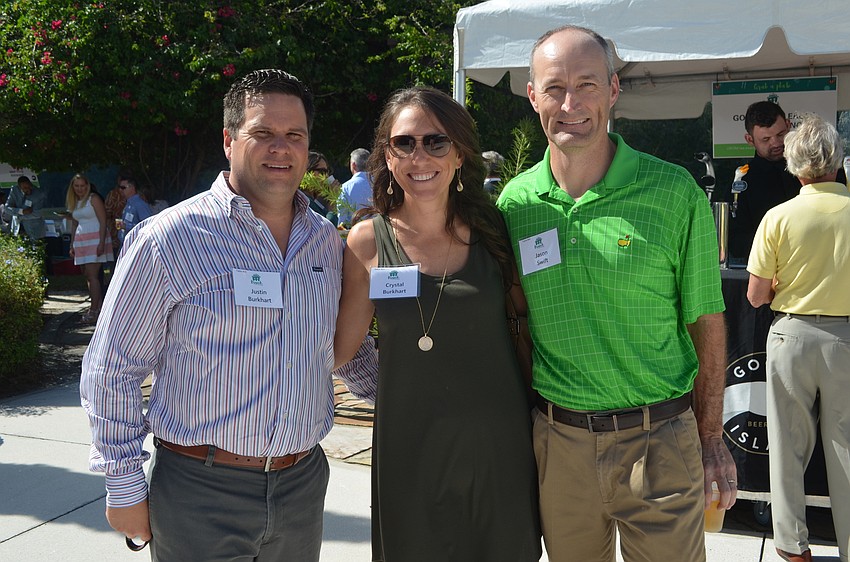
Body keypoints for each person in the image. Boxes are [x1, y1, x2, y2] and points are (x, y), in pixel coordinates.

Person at [80, 69, 378, 561]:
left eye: (294, 135)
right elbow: (112, 368)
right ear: (228, 139)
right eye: (262, 133)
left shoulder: (325, 243)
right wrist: (124, 485)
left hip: (301, 487)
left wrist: (414, 401)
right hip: (201, 491)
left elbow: (343, 349)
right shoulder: (169, 240)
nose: (280, 148)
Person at [496, 25, 737, 561]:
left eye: (586, 84)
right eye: (554, 87)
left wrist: (712, 435)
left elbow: (707, 320)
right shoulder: (516, 204)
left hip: (660, 442)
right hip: (560, 445)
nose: (571, 103)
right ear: (532, 96)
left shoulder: (673, 192)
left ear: (613, 90)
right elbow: (515, 320)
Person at [334, 86, 540, 561]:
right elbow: (339, 350)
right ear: (387, 154)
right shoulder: (366, 241)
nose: (419, 155)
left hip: (499, 445)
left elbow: (536, 322)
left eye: (435, 141)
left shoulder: (497, 233)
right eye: (404, 142)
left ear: (460, 153)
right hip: (409, 446)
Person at [747, 113, 850, 562]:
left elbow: (754, 296)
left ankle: (791, 547)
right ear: (837, 158)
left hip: (790, 334)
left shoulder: (778, 217)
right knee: (847, 449)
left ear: (793, 164)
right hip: (846, 338)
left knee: (786, 447)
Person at [66, 173, 112, 322]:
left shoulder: (94, 199)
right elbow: (74, 224)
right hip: (82, 241)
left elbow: (103, 221)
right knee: (88, 276)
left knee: (93, 276)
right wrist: (72, 244)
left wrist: (101, 243)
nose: (80, 189)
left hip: (95, 240)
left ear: (88, 185)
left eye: (83, 186)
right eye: (77, 186)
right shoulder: (75, 202)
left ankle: (94, 311)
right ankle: (96, 306)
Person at [336, 148, 372, 227]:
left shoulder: (346, 187)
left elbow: (343, 219)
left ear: (353, 165)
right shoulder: (380, 184)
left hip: (356, 233)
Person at [3, 175, 46, 240]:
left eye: (29, 186)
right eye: (25, 188)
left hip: (34, 229)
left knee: (34, 247)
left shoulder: (38, 193)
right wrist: (22, 211)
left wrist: (18, 216)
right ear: (19, 187)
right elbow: (6, 209)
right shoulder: (15, 190)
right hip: (17, 228)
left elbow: (37, 213)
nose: (28, 189)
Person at [303, 150, 339, 225]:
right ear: (307, 172)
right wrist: (332, 203)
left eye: (327, 172)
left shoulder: (314, 201)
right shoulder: (304, 201)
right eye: (322, 172)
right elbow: (326, 230)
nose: (326, 177)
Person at [115, 174, 153, 247]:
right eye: (119, 187)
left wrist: (126, 226)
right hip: (125, 246)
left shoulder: (140, 204)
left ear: (132, 188)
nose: (120, 190)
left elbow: (147, 225)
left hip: (135, 246)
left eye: (123, 187)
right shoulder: (128, 204)